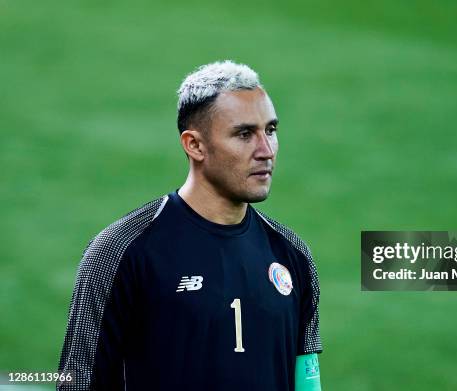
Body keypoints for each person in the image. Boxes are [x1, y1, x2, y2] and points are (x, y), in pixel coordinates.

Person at [57, 60, 322, 390]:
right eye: (244, 134)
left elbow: (307, 381)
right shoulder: (121, 250)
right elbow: (78, 380)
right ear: (194, 145)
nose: (266, 150)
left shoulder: (291, 253)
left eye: (270, 130)